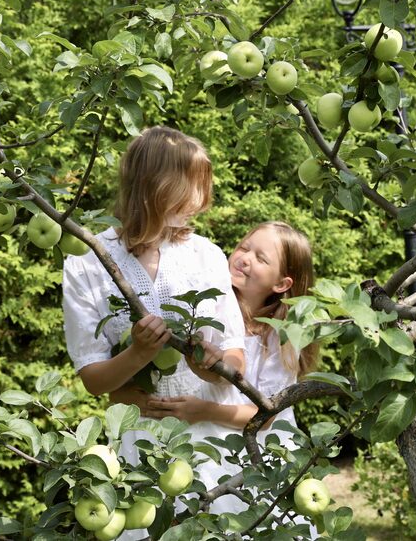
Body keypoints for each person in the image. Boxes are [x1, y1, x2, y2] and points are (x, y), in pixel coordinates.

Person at [62, 125, 247, 461]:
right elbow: (93, 379)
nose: (200, 200)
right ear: (154, 186)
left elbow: (234, 356)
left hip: (208, 439)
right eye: (191, 187)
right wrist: (140, 352)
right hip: (140, 437)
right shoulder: (88, 261)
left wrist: (208, 365)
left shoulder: (205, 255)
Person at [140, 221, 320, 513]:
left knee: (244, 517)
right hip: (205, 440)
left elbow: (268, 413)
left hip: (256, 449)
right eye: (243, 247)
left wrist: (203, 412)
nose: (245, 258)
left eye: (261, 258)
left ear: (282, 284)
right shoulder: (210, 307)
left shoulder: (279, 336)